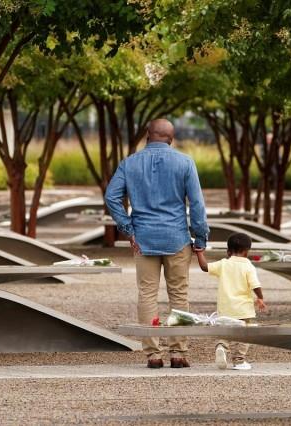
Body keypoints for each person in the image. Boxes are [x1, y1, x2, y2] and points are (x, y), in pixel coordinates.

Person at [105, 118, 209, 369]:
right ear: (171, 139)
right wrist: (200, 238)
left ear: (147, 135)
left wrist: (128, 229)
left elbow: (111, 197)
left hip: (143, 238)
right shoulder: (185, 162)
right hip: (177, 238)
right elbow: (196, 205)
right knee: (179, 295)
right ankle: (178, 352)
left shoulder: (129, 163)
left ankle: (153, 353)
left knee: (147, 295)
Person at [195, 232, 266, 370]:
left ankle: (221, 346)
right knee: (246, 333)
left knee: (226, 330)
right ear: (246, 252)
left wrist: (199, 253)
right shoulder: (248, 266)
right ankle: (239, 360)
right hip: (243, 308)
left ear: (228, 251)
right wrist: (260, 298)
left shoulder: (223, 264)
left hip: (225, 307)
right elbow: (255, 285)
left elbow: (205, 267)